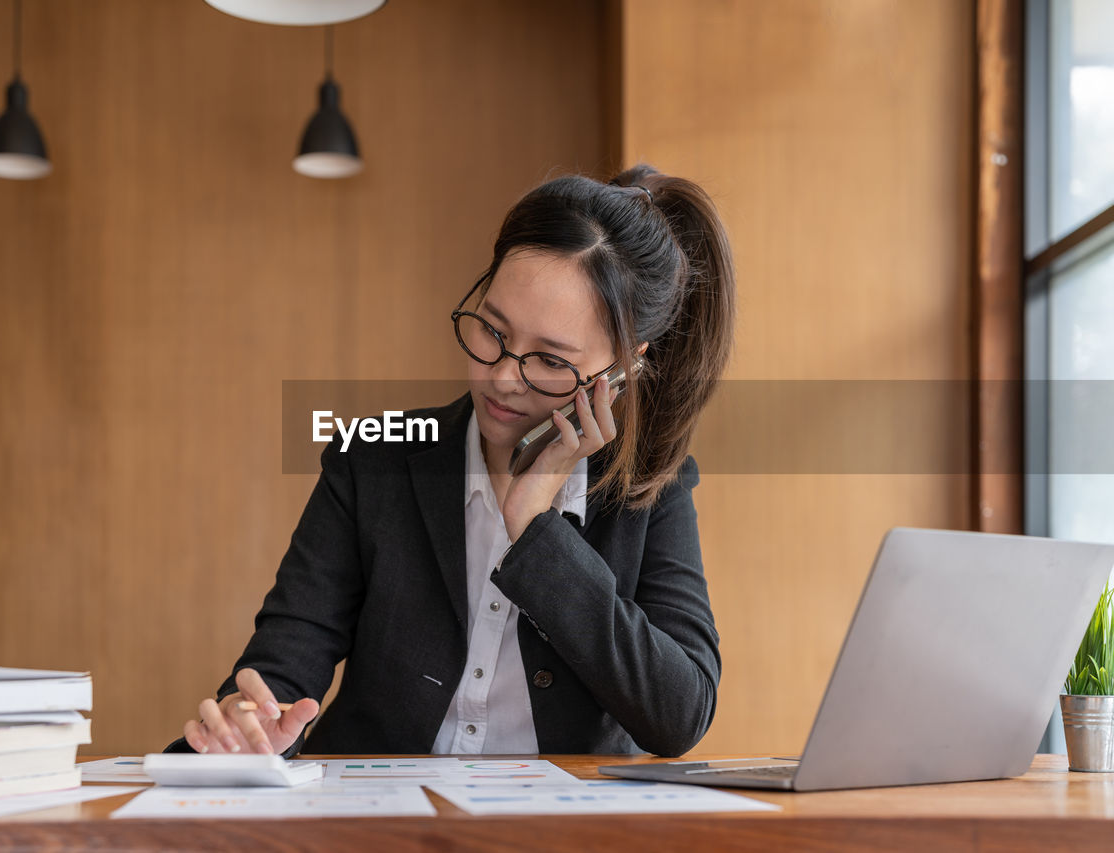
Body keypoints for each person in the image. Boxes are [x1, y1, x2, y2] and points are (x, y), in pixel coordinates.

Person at [166, 163, 737, 758]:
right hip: (381, 825)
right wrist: (250, 720)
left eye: (549, 359)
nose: (501, 377)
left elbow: (679, 715)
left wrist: (538, 531)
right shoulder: (376, 454)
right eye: (492, 329)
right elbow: (285, 662)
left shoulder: (646, 486)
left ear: (624, 366)